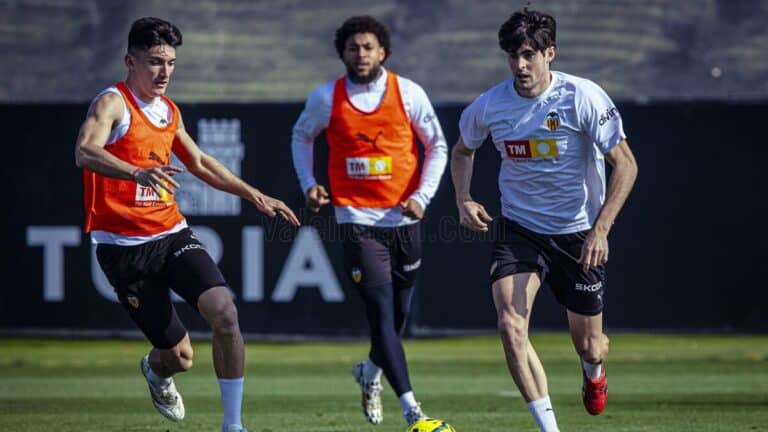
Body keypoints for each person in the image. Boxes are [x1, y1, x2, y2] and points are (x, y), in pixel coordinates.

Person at [74, 17, 300, 432]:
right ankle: (156, 370)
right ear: (130, 60)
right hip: (125, 248)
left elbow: (199, 162)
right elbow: (85, 152)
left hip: (171, 232)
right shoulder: (112, 103)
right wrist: (135, 172)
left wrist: (255, 194)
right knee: (179, 357)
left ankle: (232, 425)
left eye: (172, 63)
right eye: (156, 61)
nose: (165, 72)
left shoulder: (168, 111)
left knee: (225, 313)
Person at [450, 8, 638, 432]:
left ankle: (594, 372)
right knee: (509, 323)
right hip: (518, 229)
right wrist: (463, 198)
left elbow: (625, 165)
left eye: (529, 55)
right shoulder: (491, 105)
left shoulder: (581, 97)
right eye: (513, 56)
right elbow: (463, 150)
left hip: (578, 234)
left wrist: (601, 229)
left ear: (549, 53)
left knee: (589, 345)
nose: (520, 65)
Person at [290, 15, 448, 427]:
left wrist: (422, 197)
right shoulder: (326, 98)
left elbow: (438, 147)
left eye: (368, 47)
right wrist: (310, 184)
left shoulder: (408, 93)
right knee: (380, 313)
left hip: (404, 218)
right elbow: (301, 136)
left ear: (383, 52)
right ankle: (413, 410)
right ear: (342, 52)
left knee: (397, 318)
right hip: (356, 218)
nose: (360, 55)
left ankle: (370, 372)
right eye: (352, 48)